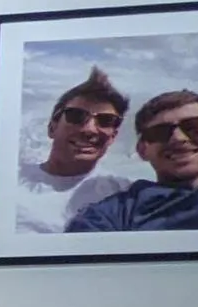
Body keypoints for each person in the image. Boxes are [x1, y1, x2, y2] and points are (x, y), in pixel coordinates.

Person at [68, 88, 198, 233]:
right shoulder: (115, 213)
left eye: (194, 126)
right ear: (142, 150)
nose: (179, 138)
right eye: (160, 133)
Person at [11, 69, 132, 233]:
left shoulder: (127, 195)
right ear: (52, 127)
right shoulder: (7, 185)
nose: (89, 130)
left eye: (106, 121)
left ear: (112, 137)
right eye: (76, 116)